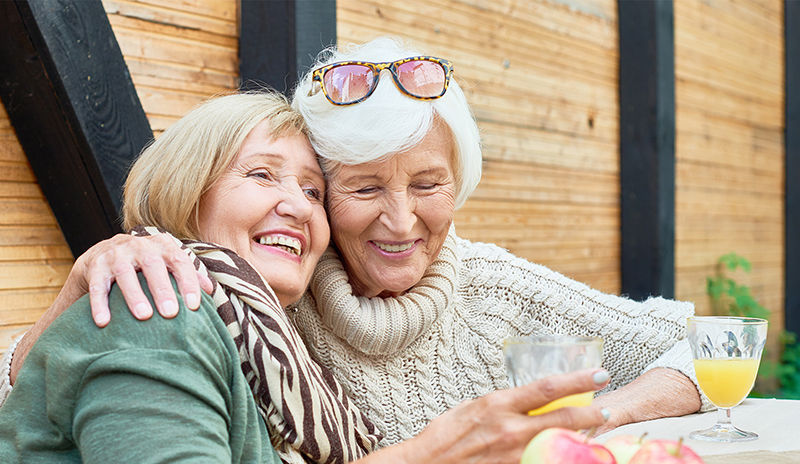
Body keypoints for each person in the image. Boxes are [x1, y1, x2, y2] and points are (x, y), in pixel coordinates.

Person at [0, 91, 608, 464]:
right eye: (262, 174)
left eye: (315, 192)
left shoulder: (270, 343)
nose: (296, 206)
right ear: (188, 192)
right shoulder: (155, 306)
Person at [1, 37, 708, 438]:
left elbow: (705, 347)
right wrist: (72, 292)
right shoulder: (270, 296)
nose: (400, 222)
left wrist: (598, 416)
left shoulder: (493, 285)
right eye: (364, 189)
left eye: (427, 186)